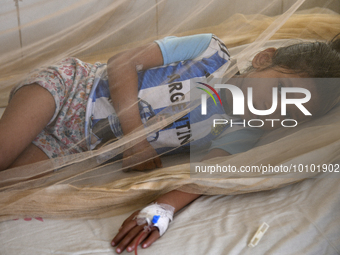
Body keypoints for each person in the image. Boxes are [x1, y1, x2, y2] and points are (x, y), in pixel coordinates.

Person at [0, 33, 339, 253]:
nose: (273, 111)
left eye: (291, 113)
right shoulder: (209, 51)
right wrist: (135, 139)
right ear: (265, 57)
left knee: (8, 190)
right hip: (71, 89)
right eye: (281, 92)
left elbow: (208, 175)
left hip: (74, 144)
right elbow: (122, 63)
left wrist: (162, 209)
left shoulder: (241, 128)